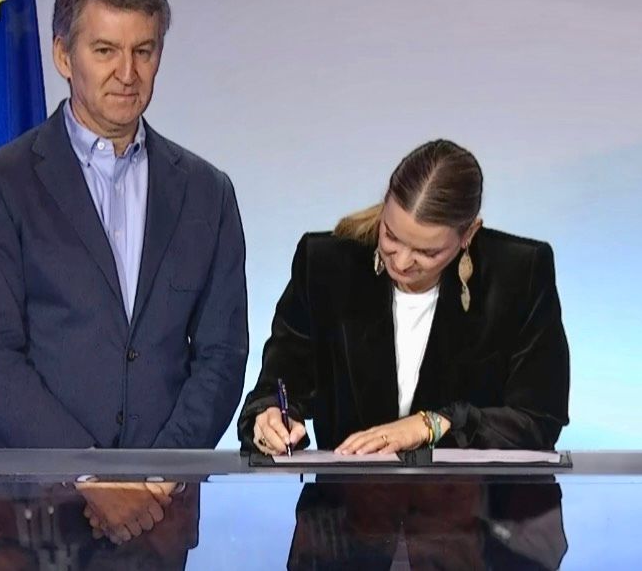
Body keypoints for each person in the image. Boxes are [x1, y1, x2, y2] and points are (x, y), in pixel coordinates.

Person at [0, 0, 248, 568]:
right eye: (105, 50)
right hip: (25, 513)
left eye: (144, 51)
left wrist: (155, 479)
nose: (127, 73)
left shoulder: (206, 192)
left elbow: (221, 356)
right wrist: (90, 474)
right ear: (64, 55)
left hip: (154, 518)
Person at [237, 139, 570, 569]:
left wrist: (434, 423)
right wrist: (270, 418)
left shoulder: (519, 274)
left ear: (468, 234)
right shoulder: (326, 264)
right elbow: (281, 383)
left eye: (428, 252)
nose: (402, 261)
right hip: (349, 535)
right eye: (391, 236)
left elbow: (539, 419)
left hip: (475, 540)